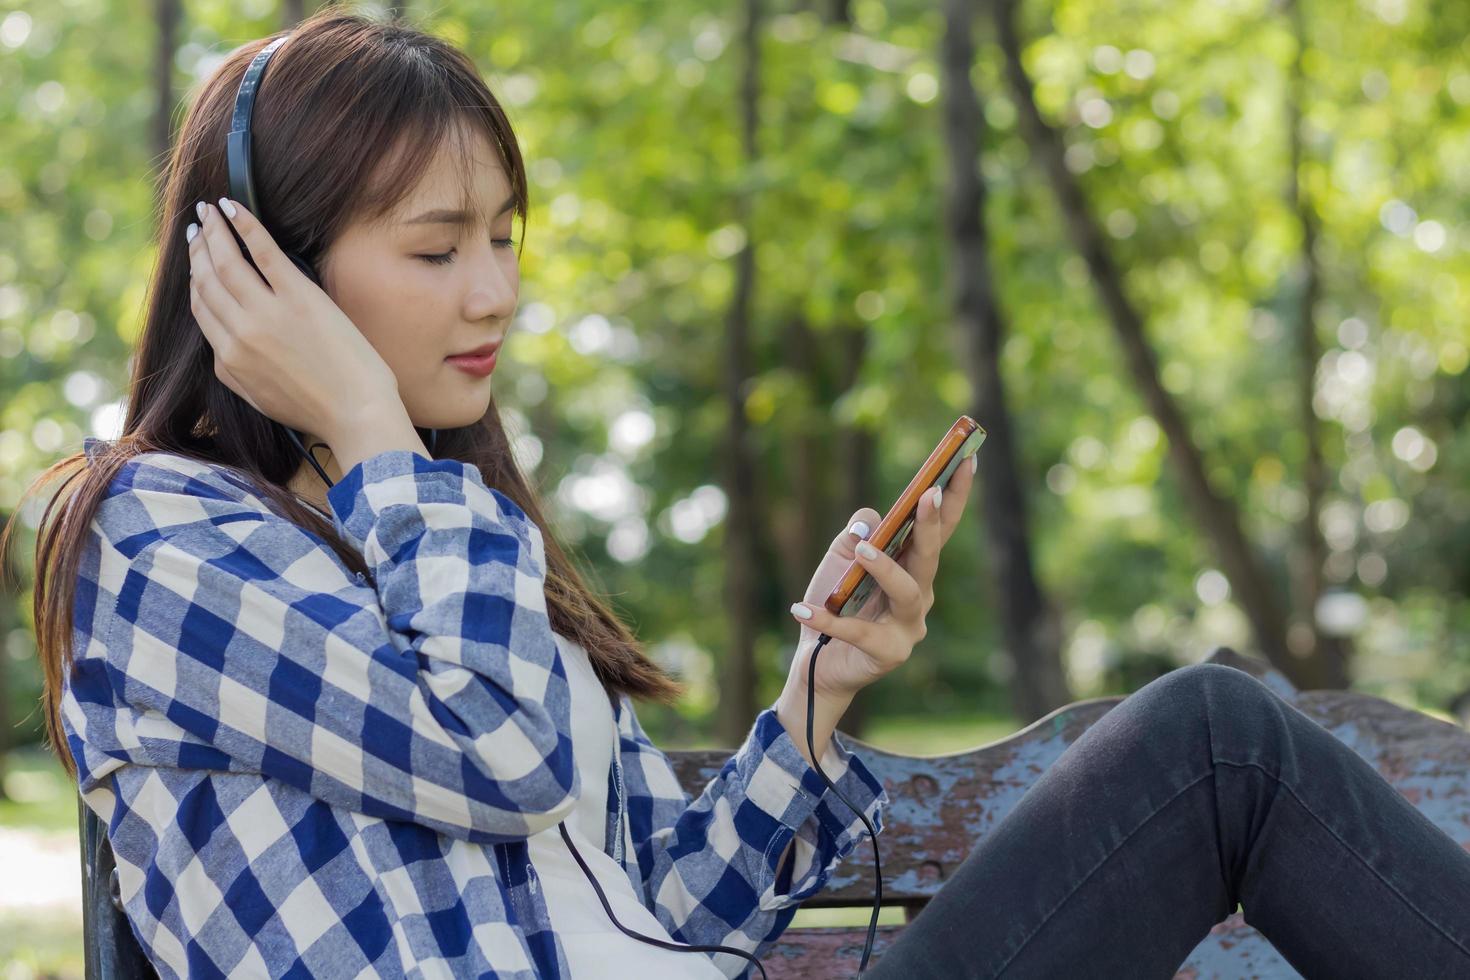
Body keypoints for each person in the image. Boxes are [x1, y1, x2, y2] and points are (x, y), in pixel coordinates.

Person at [7, 8, 1468, 980]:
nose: (498, 292)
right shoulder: (155, 538)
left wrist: (817, 701)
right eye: (438, 246)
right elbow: (498, 752)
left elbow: (680, 910)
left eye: (508, 238)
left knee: (1215, 742)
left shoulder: (443, 530)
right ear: (264, 267)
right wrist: (380, 437)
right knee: (1221, 742)